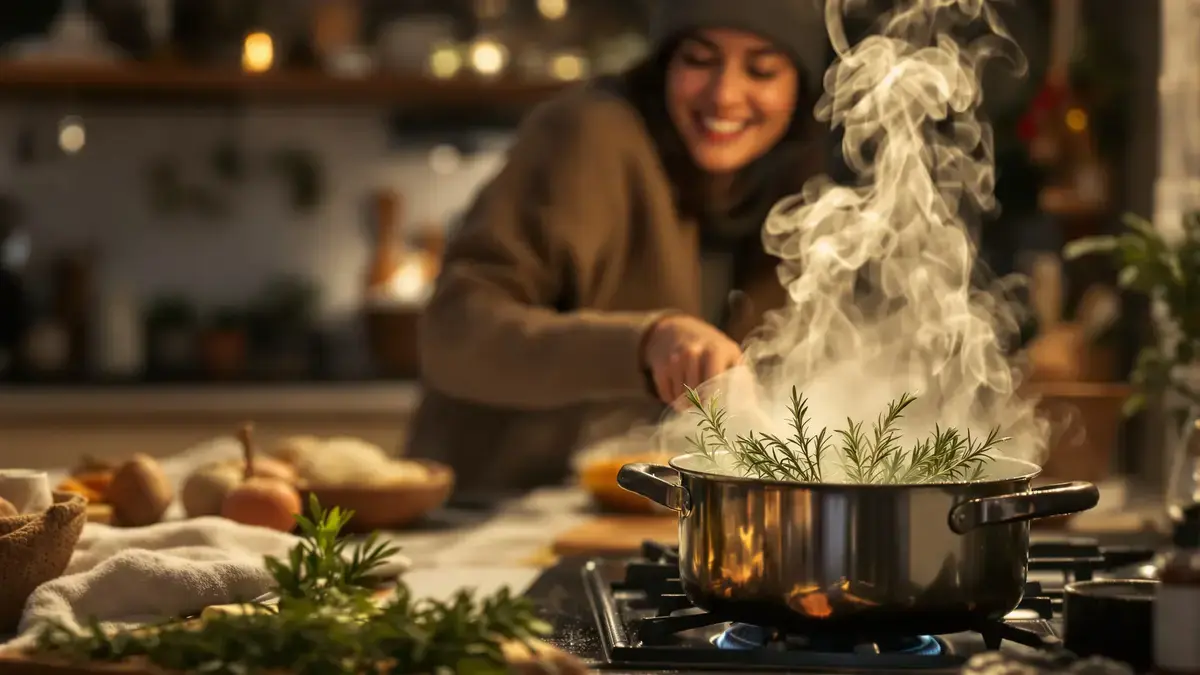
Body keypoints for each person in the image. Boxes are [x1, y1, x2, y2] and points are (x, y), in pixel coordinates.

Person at [404, 0, 829, 496]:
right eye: (699, 59)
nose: (725, 95)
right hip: (487, 512)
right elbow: (453, 335)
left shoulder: (793, 187)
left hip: (630, 512)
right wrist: (647, 343)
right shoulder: (589, 136)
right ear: (663, 63)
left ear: (799, 89)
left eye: (761, 69)